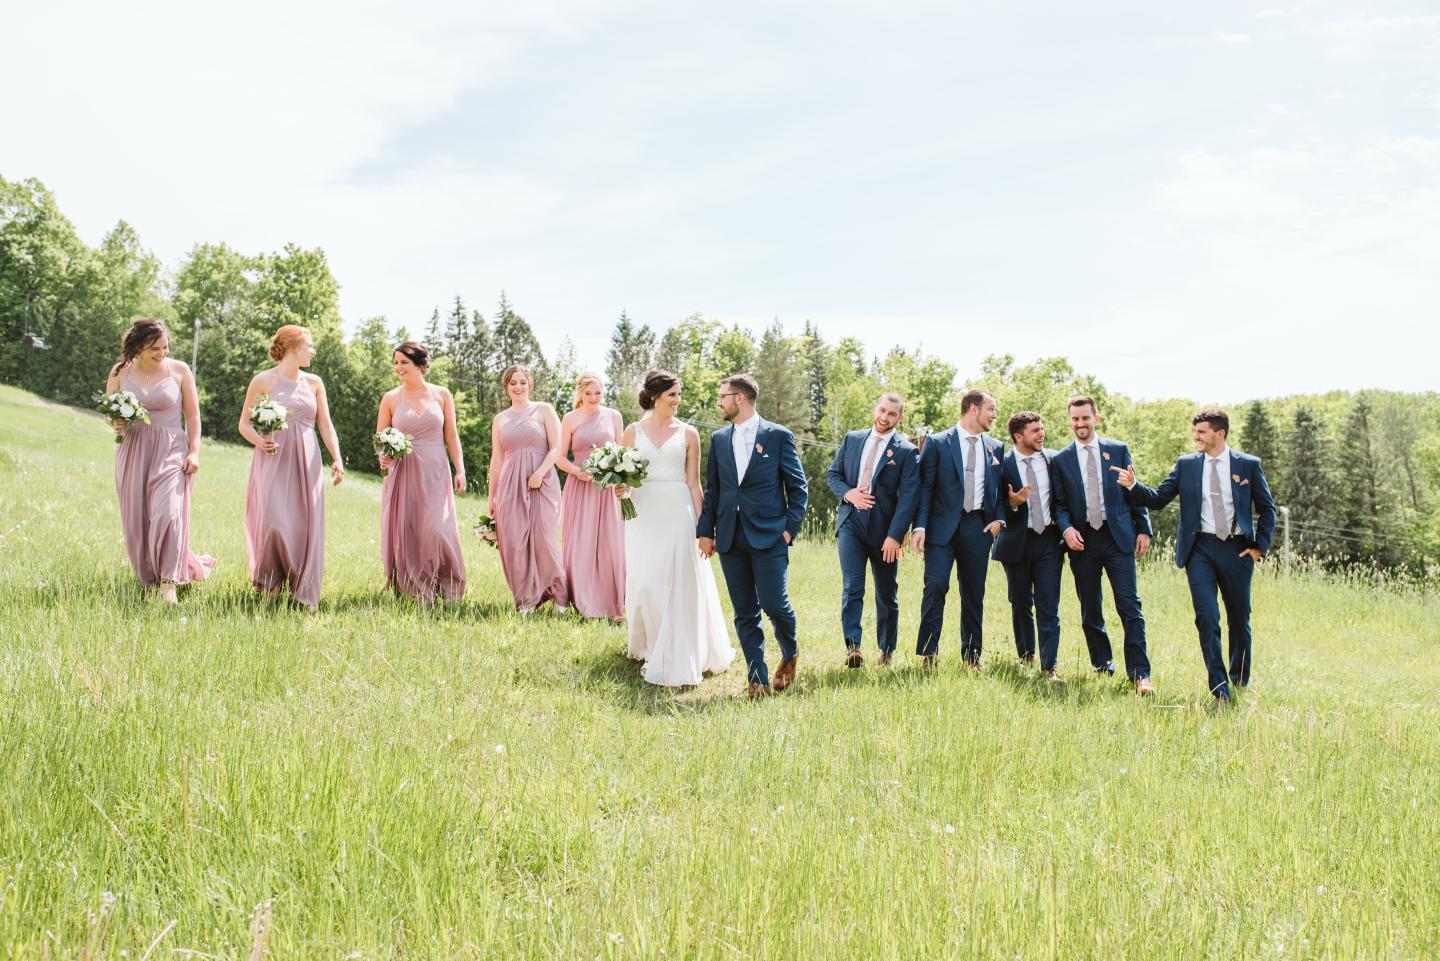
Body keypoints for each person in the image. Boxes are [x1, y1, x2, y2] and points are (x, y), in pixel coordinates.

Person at [1114, 408, 1275, 707]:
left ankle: (1238, 678)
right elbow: (1159, 498)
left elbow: (1268, 509)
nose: (1196, 437)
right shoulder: (1186, 465)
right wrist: (1133, 486)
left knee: (1239, 619)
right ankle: (1220, 689)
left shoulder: (1248, 465)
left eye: (1202, 432)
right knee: (1207, 618)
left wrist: (1258, 548)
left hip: (1237, 550)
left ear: (1220, 433)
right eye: (1195, 432)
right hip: (1199, 550)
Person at [697, 374, 808, 697]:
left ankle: (789, 653)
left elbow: (797, 488)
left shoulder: (778, 436)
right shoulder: (719, 440)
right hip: (730, 537)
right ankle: (756, 677)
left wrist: (788, 531)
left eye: (722, 396)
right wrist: (706, 531)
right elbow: (714, 489)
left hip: (770, 536)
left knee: (775, 604)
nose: (719, 402)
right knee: (745, 611)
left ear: (740, 398)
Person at [622, 369, 734, 685]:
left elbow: (694, 484)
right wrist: (621, 489)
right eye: (672, 394)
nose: (677, 400)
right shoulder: (632, 432)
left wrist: (704, 529)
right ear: (655, 395)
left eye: (679, 394)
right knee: (645, 581)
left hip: (678, 513)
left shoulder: (689, 434)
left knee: (675, 582)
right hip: (643, 514)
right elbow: (625, 478)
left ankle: (668, 651)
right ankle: (649, 645)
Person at [1048, 395, 1154, 695]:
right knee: (1090, 608)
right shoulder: (1061, 459)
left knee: (1130, 607)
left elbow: (1133, 490)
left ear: (1097, 418)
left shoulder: (1118, 450)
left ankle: (1140, 675)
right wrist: (1066, 528)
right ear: (1070, 420)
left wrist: (1143, 529)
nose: (1080, 424)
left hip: (1117, 537)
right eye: (1075, 419)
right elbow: (1058, 503)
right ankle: (1102, 666)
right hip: (1083, 542)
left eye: (1085, 418)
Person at [105, 318, 215, 602]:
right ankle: (147, 582)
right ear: (139, 346)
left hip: (171, 449)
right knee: (137, 518)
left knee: (168, 513)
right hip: (133, 448)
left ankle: (169, 582)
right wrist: (115, 422)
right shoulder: (120, 372)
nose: (162, 353)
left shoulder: (179, 370)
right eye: (155, 348)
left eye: (165, 347)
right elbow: (110, 411)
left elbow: (192, 416)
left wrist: (194, 451)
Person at [240, 325, 345, 610]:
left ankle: (304, 589)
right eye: (308, 345)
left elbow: (325, 424)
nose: (313, 351)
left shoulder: (314, 383)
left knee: (305, 523)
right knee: (274, 520)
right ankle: (270, 583)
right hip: (272, 457)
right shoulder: (262, 381)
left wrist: (336, 458)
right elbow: (244, 424)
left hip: (307, 458)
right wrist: (259, 441)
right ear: (291, 347)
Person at [824, 391, 919, 667]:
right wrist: (848, 494)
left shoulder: (905, 451)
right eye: (881, 410)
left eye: (891, 414)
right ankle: (853, 647)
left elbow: (909, 498)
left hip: (884, 531)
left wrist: (894, 535)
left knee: (886, 592)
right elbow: (833, 474)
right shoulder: (853, 439)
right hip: (851, 523)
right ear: (875, 409)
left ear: (900, 418)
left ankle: (886, 650)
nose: (884, 417)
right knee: (852, 586)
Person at [912, 389, 1004, 670]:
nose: (994, 416)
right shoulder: (939, 443)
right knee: (936, 586)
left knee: (974, 593)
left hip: (978, 528)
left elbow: (999, 488)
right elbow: (925, 487)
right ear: (973, 409)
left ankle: (972, 657)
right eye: (991, 409)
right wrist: (920, 526)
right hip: (941, 528)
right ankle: (929, 654)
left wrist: (999, 520)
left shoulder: (995, 447)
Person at [376, 342, 467, 602]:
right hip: (403, 470)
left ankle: (448, 586)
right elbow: (381, 437)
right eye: (395, 363)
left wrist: (459, 469)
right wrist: (383, 455)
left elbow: (451, 434)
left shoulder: (442, 395)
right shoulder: (391, 398)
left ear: (419, 364)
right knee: (408, 528)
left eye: (403, 362)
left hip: (436, 469)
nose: (398, 367)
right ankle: (413, 588)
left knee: (438, 528)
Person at [993, 411, 1070, 680]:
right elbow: (994, 505)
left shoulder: (1054, 460)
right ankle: (1026, 655)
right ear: (1018, 436)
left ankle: (1050, 666)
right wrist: (1013, 503)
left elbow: (1064, 499)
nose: (1041, 433)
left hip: (1048, 540)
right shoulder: (1001, 465)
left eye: (1042, 428)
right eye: (1035, 430)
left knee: (1049, 604)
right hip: (1016, 541)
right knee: (1020, 601)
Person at [488, 364, 568, 613]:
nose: (518, 387)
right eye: (513, 383)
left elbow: (556, 447)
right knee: (515, 541)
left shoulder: (543, 410)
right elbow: (497, 459)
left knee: (544, 538)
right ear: (506, 387)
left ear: (529, 384)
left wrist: (539, 473)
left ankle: (559, 595)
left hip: (541, 481)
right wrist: (492, 496)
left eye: (523, 382)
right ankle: (526, 600)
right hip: (510, 484)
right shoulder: (500, 419)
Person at [557, 372, 625, 621]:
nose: (594, 397)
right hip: (581, 487)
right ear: (580, 394)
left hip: (608, 488)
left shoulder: (614, 416)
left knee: (611, 542)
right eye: (588, 393)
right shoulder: (570, 418)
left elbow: (622, 450)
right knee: (581, 542)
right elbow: (559, 456)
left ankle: (613, 602)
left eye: (598, 393)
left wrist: (618, 475)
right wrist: (577, 471)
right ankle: (583, 601)